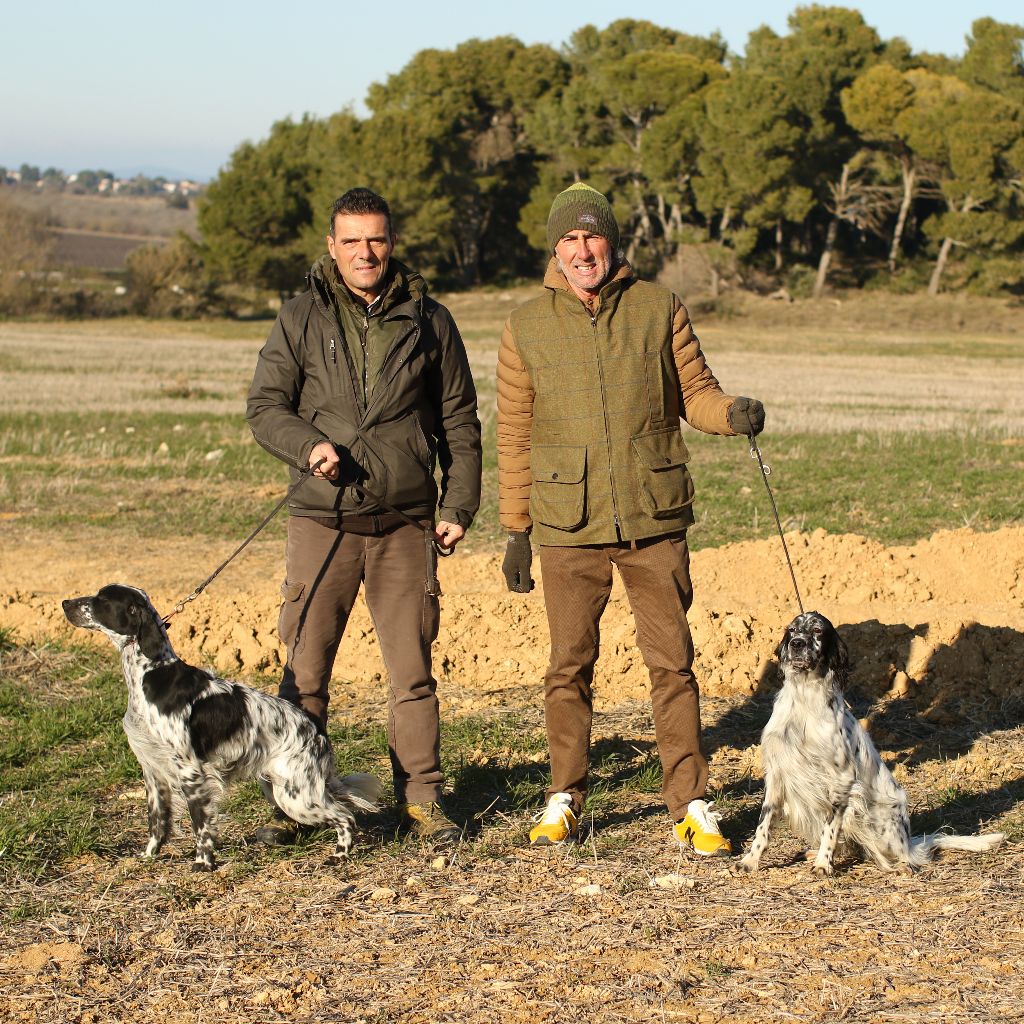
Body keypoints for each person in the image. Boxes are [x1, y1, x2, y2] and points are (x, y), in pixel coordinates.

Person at [496, 182, 765, 854]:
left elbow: (695, 393)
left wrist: (730, 416)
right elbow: (514, 433)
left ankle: (691, 803)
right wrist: (516, 529)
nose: (581, 250)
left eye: (591, 236)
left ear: (611, 242)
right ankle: (565, 796)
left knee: (672, 666)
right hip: (567, 522)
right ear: (555, 248)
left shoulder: (659, 307)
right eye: (569, 239)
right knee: (568, 668)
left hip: (653, 517)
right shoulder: (524, 325)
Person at [247, 187, 482, 846]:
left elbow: (459, 420)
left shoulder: (431, 321)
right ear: (331, 246)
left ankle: (422, 801)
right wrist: (308, 446)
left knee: (412, 672)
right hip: (321, 521)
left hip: (406, 523)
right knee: (305, 671)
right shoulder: (299, 317)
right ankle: (294, 804)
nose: (364, 252)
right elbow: (266, 405)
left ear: (392, 241)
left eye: (375, 239)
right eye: (351, 241)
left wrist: (458, 504)